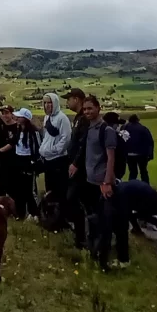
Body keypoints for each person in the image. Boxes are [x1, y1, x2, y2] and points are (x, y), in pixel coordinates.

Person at [82, 95, 118, 270]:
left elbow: (111, 159)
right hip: (90, 182)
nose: (87, 111)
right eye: (85, 109)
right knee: (93, 220)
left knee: (105, 224)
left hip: (102, 185)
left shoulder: (107, 130)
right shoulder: (90, 129)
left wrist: (107, 182)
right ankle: (93, 253)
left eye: (90, 108)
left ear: (98, 108)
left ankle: (104, 261)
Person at [63, 88, 90, 249]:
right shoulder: (78, 118)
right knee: (77, 201)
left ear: (77, 99)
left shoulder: (84, 120)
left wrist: (76, 163)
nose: (67, 102)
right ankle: (82, 236)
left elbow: (83, 144)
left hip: (80, 168)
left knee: (74, 200)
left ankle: (82, 238)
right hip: (75, 165)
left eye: (69, 99)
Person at [40, 93, 71, 213]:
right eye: (45, 103)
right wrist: (44, 149)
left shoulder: (62, 118)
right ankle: (51, 216)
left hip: (59, 159)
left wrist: (54, 150)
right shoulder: (47, 118)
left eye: (50, 102)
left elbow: (66, 138)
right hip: (48, 160)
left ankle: (61, 216)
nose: (47, 105)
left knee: (60, 190)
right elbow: (46, 136)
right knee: (50, 189)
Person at [12, 108, 41, 220]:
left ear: (25, 119)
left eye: (19, 117)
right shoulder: (19, 130)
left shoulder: (33, 132)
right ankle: (20, 212)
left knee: (29, 189)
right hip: (19, 160)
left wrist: (34, 161)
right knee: (19, 189)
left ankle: (34, 213)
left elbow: (37, 147)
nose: (17, 118)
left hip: (29, 162)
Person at [122, 114, 154, 184]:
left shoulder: (125, 128)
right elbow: (150, 141)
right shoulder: (143, 128)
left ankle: (130, 187)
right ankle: (146, 187)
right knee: (143, 171)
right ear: (137, 120)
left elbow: (122, 140)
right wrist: (150, 154)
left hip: (129, 154)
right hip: (142, 154)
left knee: (133, 172)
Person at [0, 106, 17, 197]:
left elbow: (13, 143)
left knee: (12, 186)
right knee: (0, 185)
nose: (4, 115)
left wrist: (0, 151)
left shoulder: (17, 126)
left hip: (13, 159)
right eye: (3, 113)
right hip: (2, 160)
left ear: (12, 114)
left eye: (7, 113)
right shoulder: (1, 126)